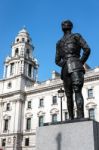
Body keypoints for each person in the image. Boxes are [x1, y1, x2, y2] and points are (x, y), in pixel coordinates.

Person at [55, 20, 90, 119]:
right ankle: (70, 117)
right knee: (68, 94)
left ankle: (80, 116)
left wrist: (80, 62)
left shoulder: (76, 36)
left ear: (70, 26)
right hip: (65, 69)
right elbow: (57, 60)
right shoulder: (58, 43)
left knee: (77, 90)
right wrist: (65, 64)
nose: (63, 24)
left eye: (66, 23)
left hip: (75, 65)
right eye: (62, 24)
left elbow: (87, 49)